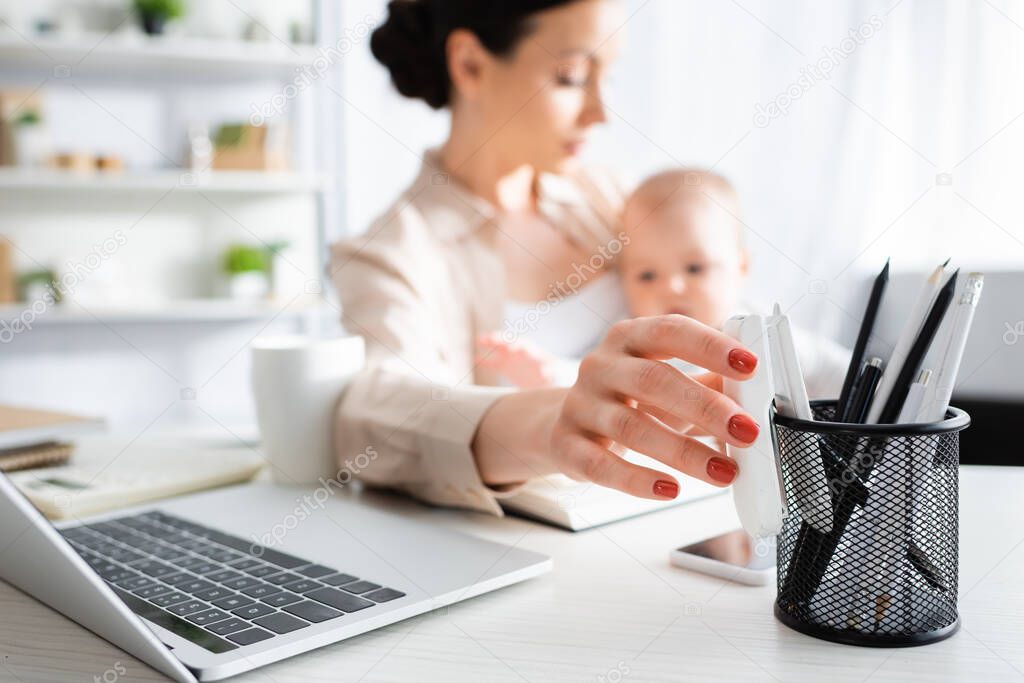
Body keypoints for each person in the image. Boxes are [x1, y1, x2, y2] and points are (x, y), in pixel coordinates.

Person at [330, 0, 762, 516]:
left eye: (608, 75)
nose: (601, 112)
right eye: (572, 76)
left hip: (688, 513)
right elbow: (371, 417)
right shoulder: (394, 251)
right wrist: (555, 422)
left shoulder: (614, 199)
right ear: (469, 64)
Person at [477, 168, 850, 395]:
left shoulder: (761, 332)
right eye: (646, 275)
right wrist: (546, 371)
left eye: (695, 269)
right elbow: (592, 376)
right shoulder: (632, 338)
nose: (670, 287)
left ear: (741, 267)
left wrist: (885, 391)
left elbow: (834, 370)